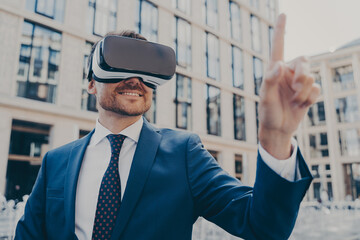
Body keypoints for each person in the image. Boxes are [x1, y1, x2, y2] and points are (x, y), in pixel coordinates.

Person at [15, 14, 320, 240]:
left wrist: (276, 138)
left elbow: (263, 226)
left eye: (146, 70)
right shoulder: (56, 162)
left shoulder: (184, 153)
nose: (135, 80)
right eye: (120, 65)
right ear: (92, 83)